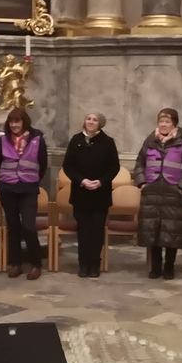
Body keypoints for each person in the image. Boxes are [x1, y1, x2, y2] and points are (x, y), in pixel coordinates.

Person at [133, 108, 182, 280]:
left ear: (174, 124)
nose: (163, 124)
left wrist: (181, 188)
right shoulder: (150, 140)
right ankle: (156, 268)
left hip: (173, 193)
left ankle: (169, 267)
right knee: (153, 231)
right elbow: (139, 163)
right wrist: (142, 183)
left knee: (171, 231)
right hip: (151, 192)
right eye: (161, 121)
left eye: (167, 121)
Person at [62, 111, 120, 279]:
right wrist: (81, 180)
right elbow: (68, 166)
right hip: (81, 193)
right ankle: (83, 265)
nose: (91, 122)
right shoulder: (76, 140)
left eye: (95, 120)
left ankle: (95, 264)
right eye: (88, 118)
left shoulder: (108, 142)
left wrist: (101, 182)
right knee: (83, 231)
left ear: (100, 123)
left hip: (100, 194)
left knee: (96, 231)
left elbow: (114, 167)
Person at [0, 107, 47, 280]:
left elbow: (43, 164)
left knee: (29, 227)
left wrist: (30, 179)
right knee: (13, 227)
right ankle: (16, 264)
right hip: (7, 189)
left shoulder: (37, 140)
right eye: (11, 122)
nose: (14, 125)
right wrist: (11, 177)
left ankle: (36, 264)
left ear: (24, 122)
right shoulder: (2, 140)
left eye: (17, 121)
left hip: (28, 189)